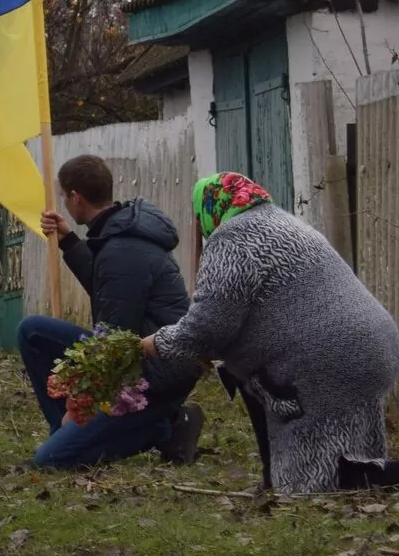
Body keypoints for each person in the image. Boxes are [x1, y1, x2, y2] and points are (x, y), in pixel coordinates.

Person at [143, 172, 399, 494]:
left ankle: (344, 481)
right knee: (346, 456)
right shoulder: (285, 223)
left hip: (325, 360)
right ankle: (334, 477)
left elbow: (208, 327)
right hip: (376, 346)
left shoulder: (232, 239)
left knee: (309, 487)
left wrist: (156, 343)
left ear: (210, 207)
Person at [18, 154, 203, 470]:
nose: (65, 204)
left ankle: (166, 426)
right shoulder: (119, 233)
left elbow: (114, 345)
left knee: (50, 460)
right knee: (32, 331)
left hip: (157, 375)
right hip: (140, 355)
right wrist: (68, 241)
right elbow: (110, 290)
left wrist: (77, 406)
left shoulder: (122, 250)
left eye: (65, 197)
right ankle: (64, 434)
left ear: (76, 197)